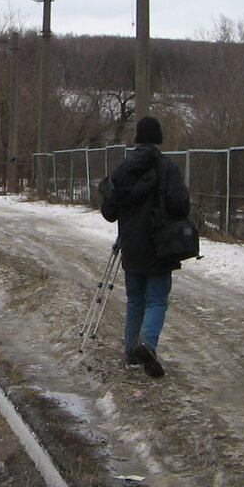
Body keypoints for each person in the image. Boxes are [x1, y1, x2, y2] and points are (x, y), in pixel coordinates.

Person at [100, 115, 191, 378]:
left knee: (135, 300)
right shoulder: (168, 168)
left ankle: (130, 352)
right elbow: (181, 204)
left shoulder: (123, 169)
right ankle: (148, 345)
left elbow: (109, 211)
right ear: (159, 140)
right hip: (161, 245)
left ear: (137, 139)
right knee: (157, 300)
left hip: (131, 244)